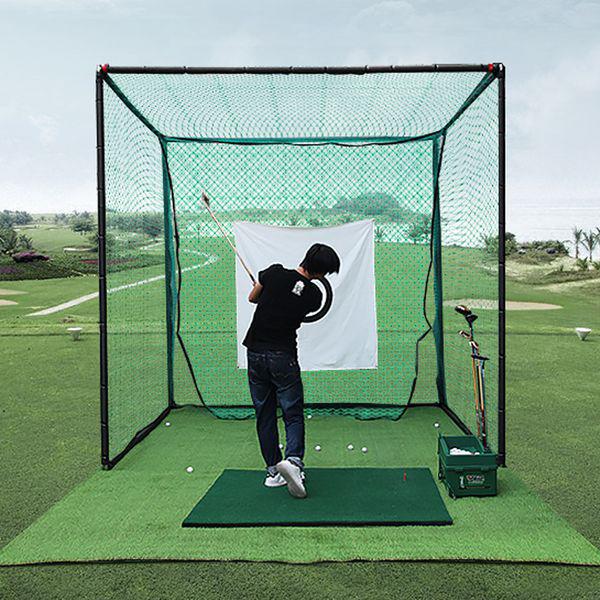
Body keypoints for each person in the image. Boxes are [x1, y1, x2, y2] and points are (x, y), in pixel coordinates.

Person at [243, 243, 341, 498]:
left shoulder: (273, 273)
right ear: (322, 272)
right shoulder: (314, 296)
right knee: (292, 413)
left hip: (255, 353)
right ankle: (294, 462)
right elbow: (293, 298)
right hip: (283, 357)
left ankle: (273, 472)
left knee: (265, 413)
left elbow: (253, 298)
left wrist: (265, 288)